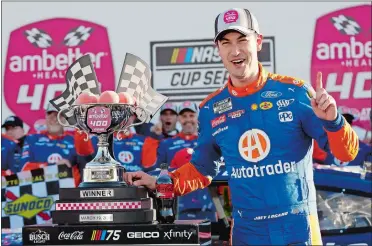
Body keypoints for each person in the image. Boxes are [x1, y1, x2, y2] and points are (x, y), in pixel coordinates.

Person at [124, 8, 359, 245]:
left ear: (258, 42)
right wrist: (162, 183)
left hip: (298, 226)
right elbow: (202, 168)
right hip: (247, 229)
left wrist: (334, 120)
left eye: (242, 40)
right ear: (218, 49)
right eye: (226, 42)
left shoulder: (296, 92)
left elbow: (346, 153)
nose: (235, 51)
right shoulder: (210, 109)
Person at [20, 103, 94, 186]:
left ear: (65, 119)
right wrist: (53, 167)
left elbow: (87, 167)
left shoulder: (75, 140)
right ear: (46, 117)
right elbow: (23, 170)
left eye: (58, 116)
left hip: (69, 194)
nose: (54, 119)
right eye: (50, 115)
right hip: (39, 194)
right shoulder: (32, 139)